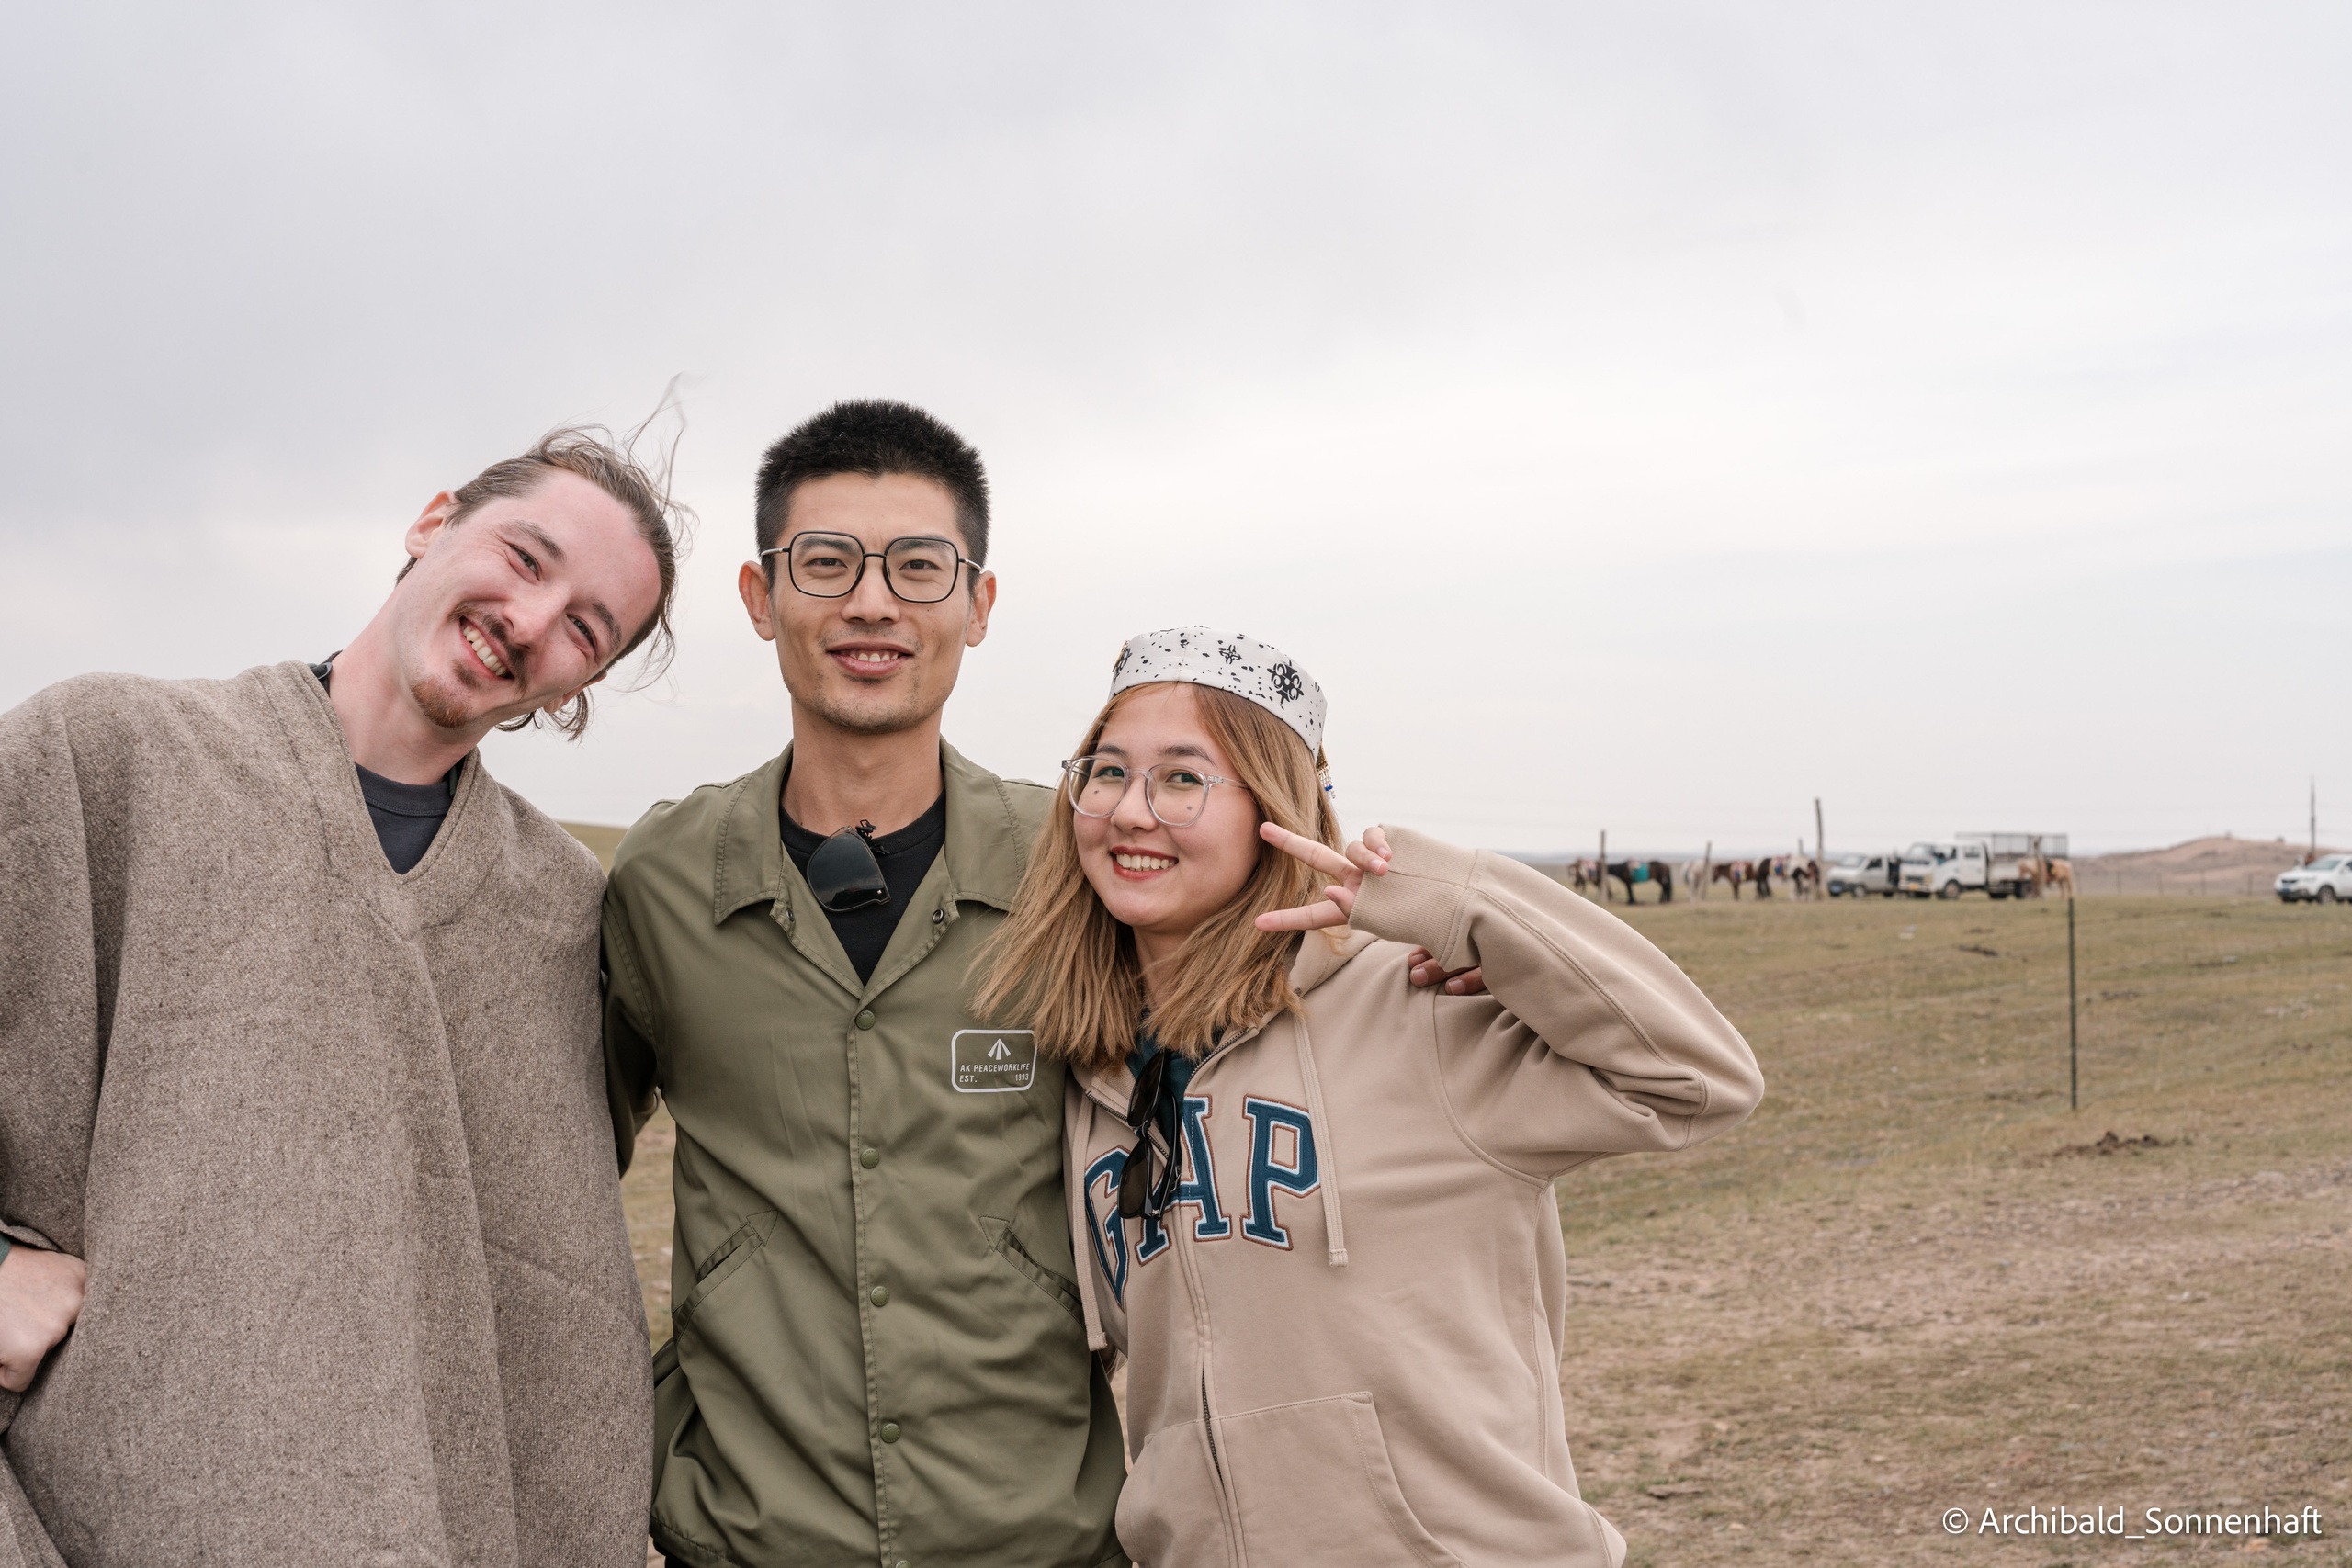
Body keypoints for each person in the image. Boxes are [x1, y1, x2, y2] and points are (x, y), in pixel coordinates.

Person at [601, 403, 1479, 1568]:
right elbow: (556, 1174)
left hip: (1041, 1535)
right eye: (825, 562)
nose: (873, 603)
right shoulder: (663, 881)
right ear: (763, 601)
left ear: (978, 604)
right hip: (750, 1536)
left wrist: (1439, 956)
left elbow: (1253, 989)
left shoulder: (1079, 864)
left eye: (920, 566)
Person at [0, 427, 680, 1568]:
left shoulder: (562, 912)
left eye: (585, 628)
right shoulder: (105, 755)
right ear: (431, 523)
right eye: (525, 557)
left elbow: (558, 1278)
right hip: (112, 1513)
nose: (530, 621)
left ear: (581, 686)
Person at [976, 627, 1767, 1568]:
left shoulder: (1420, 1003)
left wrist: (1460, 903)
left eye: (1183, 778)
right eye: (1104, 773)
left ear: (1276, 806)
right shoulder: (1093, 1075)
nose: (1131, 811)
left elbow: (1700, 1080)